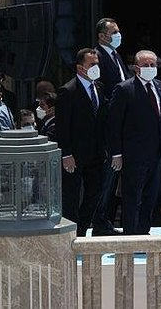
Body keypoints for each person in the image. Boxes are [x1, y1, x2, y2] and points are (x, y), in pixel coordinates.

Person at [108, 50, 161, 235]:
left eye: (153, 65)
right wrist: (117, 154)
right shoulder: (124, 89)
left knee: (150, 197)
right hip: (133, 155)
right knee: (132, 199)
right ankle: (130, 236)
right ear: (136, 68)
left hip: (157, 154)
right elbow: (114, 125)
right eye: (146, 65)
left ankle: (143, 233)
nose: (150, 68)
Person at [56, 49, 110, 236]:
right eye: (92, 64)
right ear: (80, 68)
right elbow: (62, 126)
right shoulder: (68, 91)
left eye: (97, 64)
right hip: (75, 154)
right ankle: (71, 234)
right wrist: (67, 154)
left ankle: (82, 227)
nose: (96, 67)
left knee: (95, 192)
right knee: (71, 195)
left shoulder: (99, 87)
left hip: (96, 153)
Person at [93, 17, 130, 236]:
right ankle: (99, 221)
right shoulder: (97, 57)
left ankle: (106, 219)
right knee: (107, 177)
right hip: (108, 125)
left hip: (122, 123)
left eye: (118, 31)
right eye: (113, 32)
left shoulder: (115, 56)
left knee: (115, 178)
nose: (118, 35)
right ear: (102, 36)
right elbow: (100, 90)